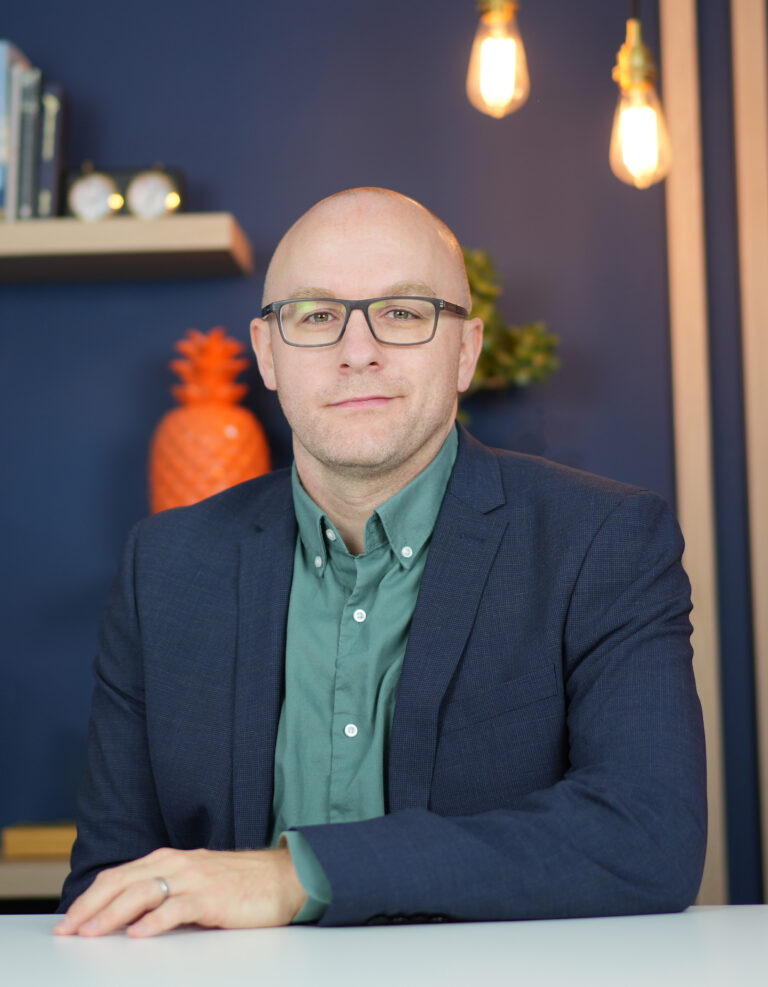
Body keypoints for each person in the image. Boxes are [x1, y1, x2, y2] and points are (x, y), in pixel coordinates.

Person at [55, 187, 707, 939]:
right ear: (267, 354)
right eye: (315, 315)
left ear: (465, 350)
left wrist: (294, 873)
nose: (356, 350)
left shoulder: (604, 540)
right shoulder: (162, 567)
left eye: (403, 312)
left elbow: (648, 833)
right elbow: (111, 889)